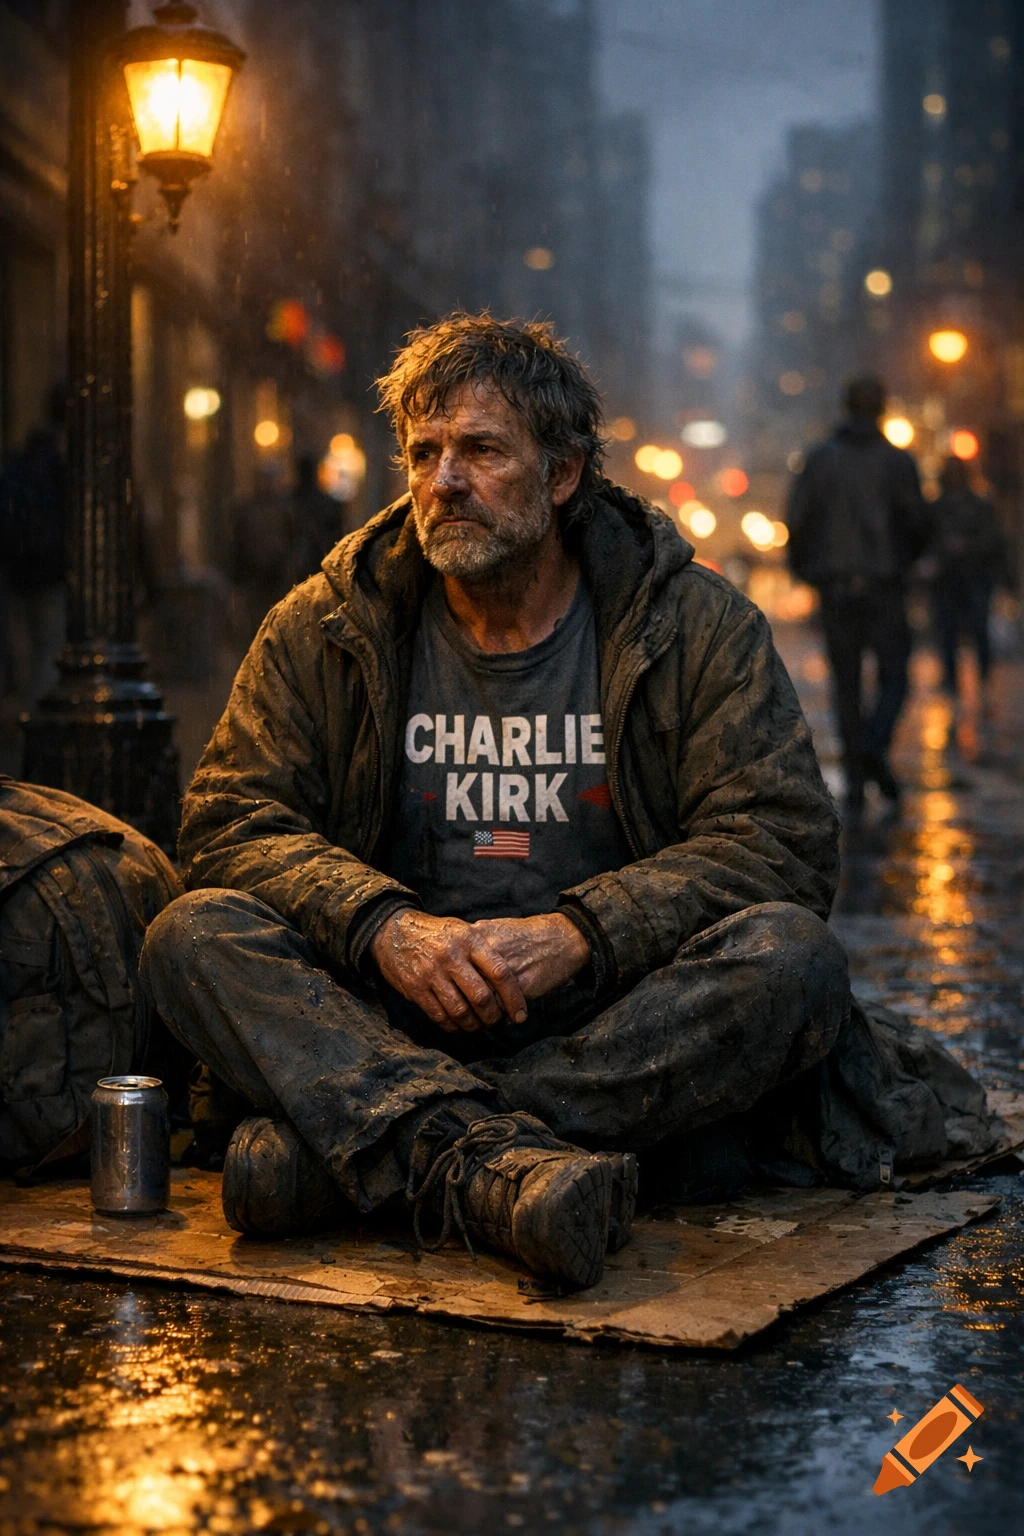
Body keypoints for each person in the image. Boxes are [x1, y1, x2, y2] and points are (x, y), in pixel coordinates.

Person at [139, 313, 856, 1292]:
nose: (443, 482)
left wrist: (580, 934)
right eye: (423, 453)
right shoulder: (324, 624)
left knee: (793, 960)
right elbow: (228, 825)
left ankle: (374, 1150)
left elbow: (781, 843)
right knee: (189, 933)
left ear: (562, 476)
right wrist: (383, 926)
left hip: (604, 1021)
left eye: (480, 450)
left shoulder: (692, 626)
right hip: (386, 1016)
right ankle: (498, 1166)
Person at [786, 376, 929, 817]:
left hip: (836, 586)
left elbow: (799, 518)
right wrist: (906, 563)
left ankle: (855, 772)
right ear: (882, 409)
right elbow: (917, 521)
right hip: (884, 585)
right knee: (894, 675)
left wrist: (809, 571)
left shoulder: (820, 460)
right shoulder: (897, 461)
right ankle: (873, 747)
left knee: (845, 684)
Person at [0, 391, 66, 716]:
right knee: (48, 650)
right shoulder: (60, 461)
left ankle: (29, 713)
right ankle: (38, 725)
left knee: (30, 649)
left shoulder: (21, 460)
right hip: (50, 571)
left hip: (18, 569)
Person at [928, 455, 1004, 700]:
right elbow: (927, 538)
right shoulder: (937, 507)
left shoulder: (979, 505)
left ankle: (983, 677)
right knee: (947, 629)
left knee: (978, 628)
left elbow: (993, 539)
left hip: (974, 574)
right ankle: (951, 680)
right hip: (947, 577)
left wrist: (967, 546)